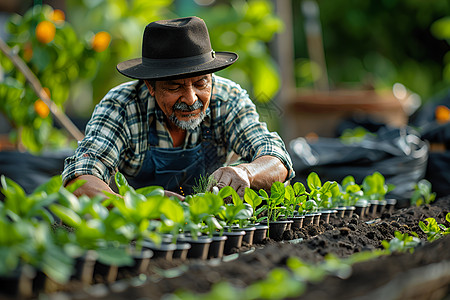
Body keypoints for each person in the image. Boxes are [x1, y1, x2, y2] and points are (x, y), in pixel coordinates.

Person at [62, 16, 294, 200]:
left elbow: (276, 157)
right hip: (137, 231)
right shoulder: (122, 106)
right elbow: (80, 177)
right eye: (175, 87)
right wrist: (138, 206)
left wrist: (246, 172)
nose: (191, 98)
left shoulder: (227, 98)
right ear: (150, 87)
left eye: (201, 83)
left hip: (210, 224)